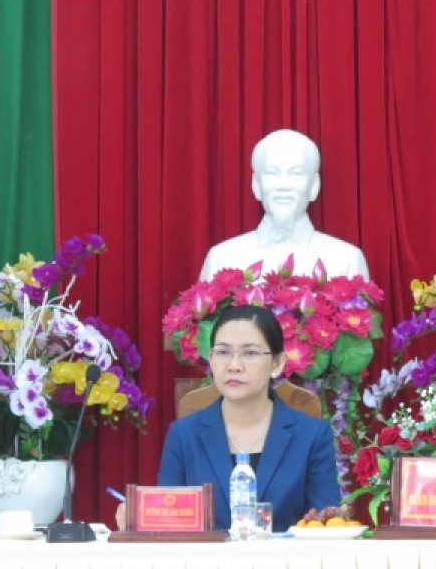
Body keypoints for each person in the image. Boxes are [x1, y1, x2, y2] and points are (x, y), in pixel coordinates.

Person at [115, 305, 342, 531]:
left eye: (250, 353)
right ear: (211, 360)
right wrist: (139, 520)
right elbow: (169, 524)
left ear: (277, 363)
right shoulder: (183, 435)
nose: (234, 366)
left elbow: (324, 525)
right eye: (223, 353)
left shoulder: (311, 436)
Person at [198, 129, 370, 281]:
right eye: (272, 173)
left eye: (296, 174)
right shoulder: (222, 259)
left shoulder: (347, 260)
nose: (283, 185)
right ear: (256, 185)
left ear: (314, 186)